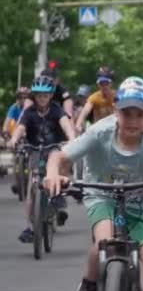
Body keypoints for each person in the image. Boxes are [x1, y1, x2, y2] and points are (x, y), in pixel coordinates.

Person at [43, 76, 143, 291]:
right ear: (116, 111)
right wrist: (52, 174)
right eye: (127, 113)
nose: (133, 121)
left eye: (140, 114)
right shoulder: (99, 132)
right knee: (103, 245)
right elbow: (59, 155)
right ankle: (89, 284)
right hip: (102, 196)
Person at [7, 76, 75, 242]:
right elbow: (20, 128)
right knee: (32, 186)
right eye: (38, 95)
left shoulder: (56, 109)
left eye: (45, 95)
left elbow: (66, 125)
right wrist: (14, 139)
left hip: (53, 149)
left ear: (51, 96)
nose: (42, 99)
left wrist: (73, 139)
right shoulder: (29, 112)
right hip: (35, 149)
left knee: (54, 166)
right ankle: (30, 227)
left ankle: (58, 201)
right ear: (34, 96)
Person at [3, 87, 30, 194]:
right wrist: (5, 131)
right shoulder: (13, 108)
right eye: (20, 97)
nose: (22, 99)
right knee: (15, 156)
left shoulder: (31, 108)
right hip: (17, 134)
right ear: (17, 98)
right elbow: (7, 122)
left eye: (25, 97)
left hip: (29, 133)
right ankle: (16, 181)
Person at [74, 67, 115, 133]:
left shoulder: (117, 97)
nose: (104, 86)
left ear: (111, 83)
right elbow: (84, 112)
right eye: (101, 83)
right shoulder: (94, 98)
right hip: (98, 131)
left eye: (106, 83)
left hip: (113, 131)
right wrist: (78, 125)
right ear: (98, 84)